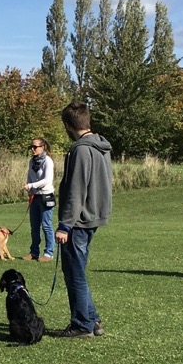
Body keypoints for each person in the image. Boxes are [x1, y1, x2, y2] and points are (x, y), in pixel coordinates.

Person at [53, 103, 113, 339]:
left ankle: (81, 325)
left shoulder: (80, 150)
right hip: (94, 215)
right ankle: (92, 320)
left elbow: (76, 189)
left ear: (68, 125)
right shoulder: (102, 147)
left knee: (74, 274)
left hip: (78, 221)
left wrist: (65, 224)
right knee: (78, 271)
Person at [23, 137, 55, 262]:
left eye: (35, 147)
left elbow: (47, 180)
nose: (33, 149)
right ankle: (34, 252)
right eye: (31, 147)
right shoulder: (32, 161)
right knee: (34, 226)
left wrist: (31, 186)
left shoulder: (48, 161)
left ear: (42, 147)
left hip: (46, 196)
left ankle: (49, 253)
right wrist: (30, 190)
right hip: (35, 196)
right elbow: (29, 176)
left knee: (46, 225)